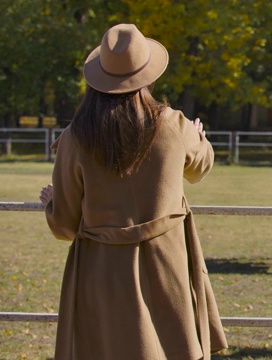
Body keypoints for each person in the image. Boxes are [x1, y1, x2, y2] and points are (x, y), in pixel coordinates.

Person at [39, 23, 227, 359]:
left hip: (102, 274)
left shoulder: (74, 139)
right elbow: (201, 167)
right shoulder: (174, 124)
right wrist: (198, 137)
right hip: (167, 268)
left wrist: (52, 204)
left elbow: (65, 226)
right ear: (148, 76)